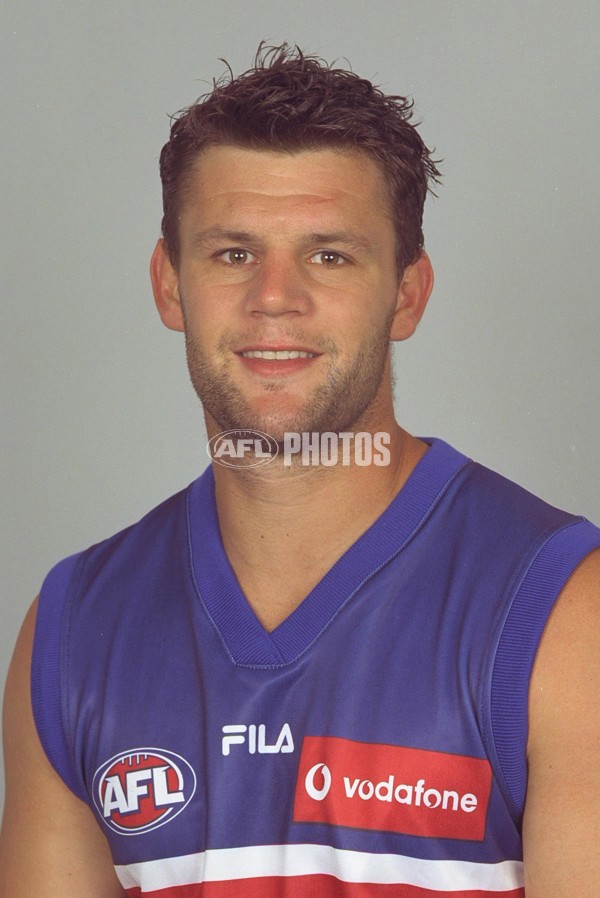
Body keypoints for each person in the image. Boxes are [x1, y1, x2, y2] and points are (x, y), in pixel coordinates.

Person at [1, 43, 599, 898]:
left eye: (329, 255)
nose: (274, 297)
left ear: (408, 294)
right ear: (170, 286)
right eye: (233, 253)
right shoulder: (69, 635)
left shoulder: (566, 620)